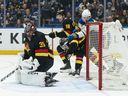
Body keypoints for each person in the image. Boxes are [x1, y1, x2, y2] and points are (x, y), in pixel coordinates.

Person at [16, 21, 58, 87]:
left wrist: (35, 63)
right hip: (37, 59)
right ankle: (42, 74)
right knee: (27, 67)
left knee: (34, 71)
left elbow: (43, 53)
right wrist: (23, 64)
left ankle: (44, 76)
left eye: (29, 31)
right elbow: (27, 53)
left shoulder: (40, 36)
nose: (28, 34)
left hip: (47, 60)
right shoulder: (26, 38)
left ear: (33, 30)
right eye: (27, 32)